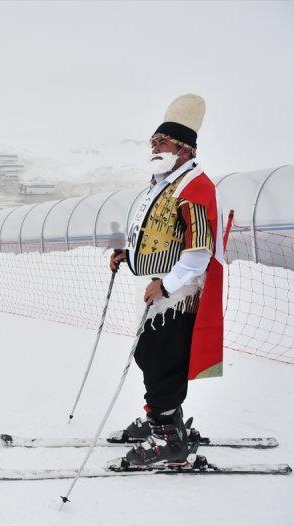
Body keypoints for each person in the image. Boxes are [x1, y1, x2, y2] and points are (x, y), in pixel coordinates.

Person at [109, 94, 224, 467]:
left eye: (163, 141)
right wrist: (129, 255)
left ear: (185, 148)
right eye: (153, 141)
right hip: (166, 285)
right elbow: (158, 234)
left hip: (182, 290)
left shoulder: (195, 185)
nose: (154, 146)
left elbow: (198, 249)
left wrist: (168, 285)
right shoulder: (164, 183)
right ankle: (161, 418)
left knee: (162, 358)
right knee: (152, 354)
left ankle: (169, 438)